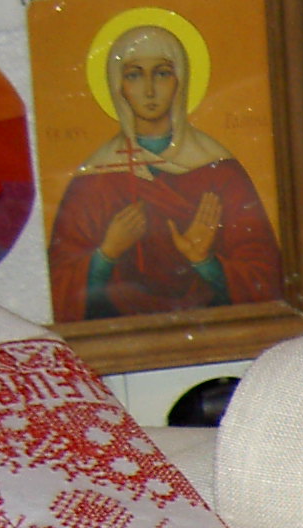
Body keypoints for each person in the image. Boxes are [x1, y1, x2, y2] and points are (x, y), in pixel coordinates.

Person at [49, 17, 283, 321]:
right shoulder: (95, 178)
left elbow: (266, 281)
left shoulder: (220, 170)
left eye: (161, 73)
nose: (149, 90)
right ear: (118, 86)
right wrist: (106, 254)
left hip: (213, 328)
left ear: (180, 80)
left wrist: (205, 262)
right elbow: (59, 291)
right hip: (122, 335)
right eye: (134, 75)